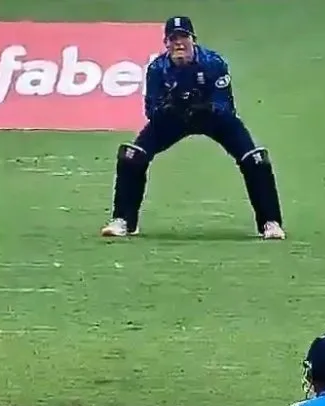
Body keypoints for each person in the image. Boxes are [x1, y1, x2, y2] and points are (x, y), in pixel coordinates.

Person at [101, 15, 285, 240]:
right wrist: (170, 108)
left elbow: (225, 106)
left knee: (255, 160)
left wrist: (205, 108)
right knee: (132, 157)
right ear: (166, 43)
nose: (179, 43)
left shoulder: (213, 63)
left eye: (183, 37)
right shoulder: (157, 69)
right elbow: (151, 111)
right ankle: (123, 221)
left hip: (213, 119)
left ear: (193, 40)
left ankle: (270, 223)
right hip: (175, 119)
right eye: (173, 38)